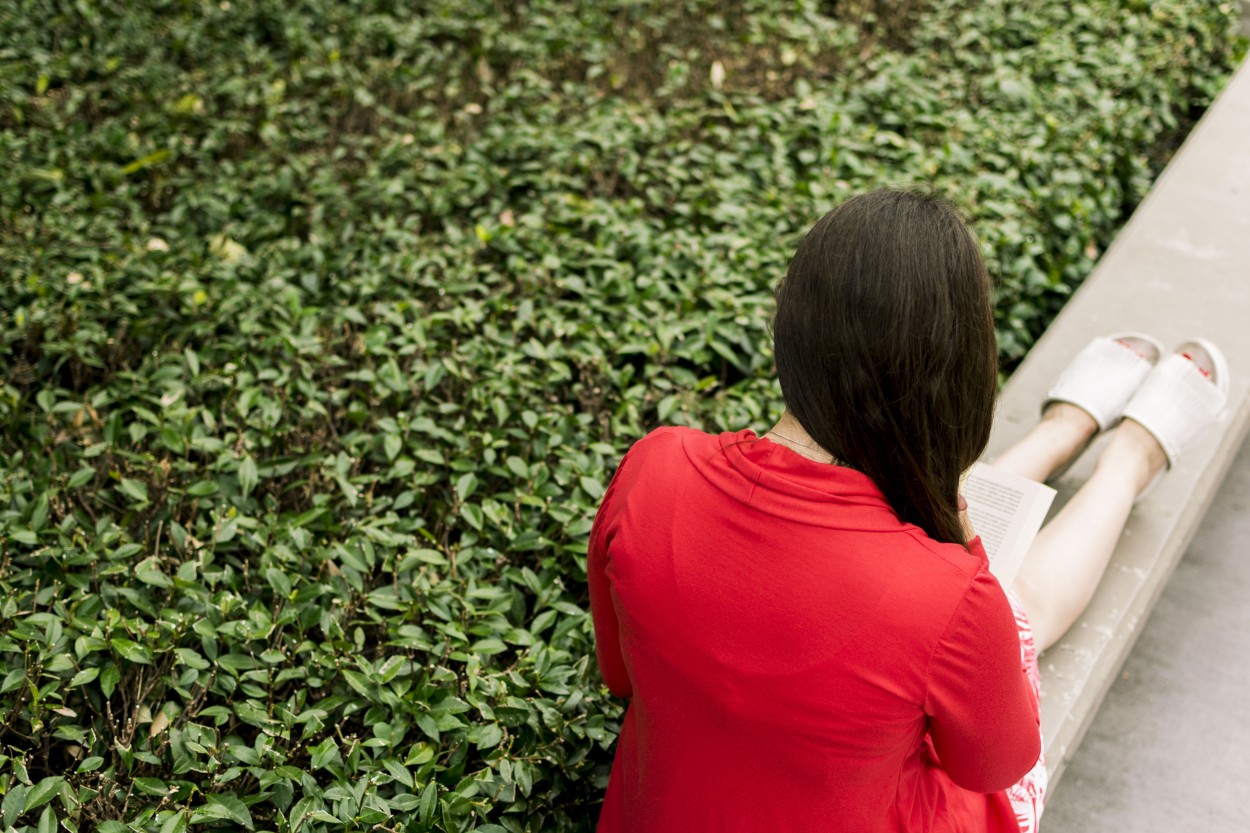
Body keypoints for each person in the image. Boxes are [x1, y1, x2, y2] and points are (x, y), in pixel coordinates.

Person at [587, 189, 1228, 833]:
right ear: (960, 373)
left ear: (790, 328)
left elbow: (620, 673)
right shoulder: (949, 596)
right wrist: (970, 561)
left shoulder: (654, 467)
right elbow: (997, 761)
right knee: (1016, 608)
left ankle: (1063, 432)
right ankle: (1127, 460)